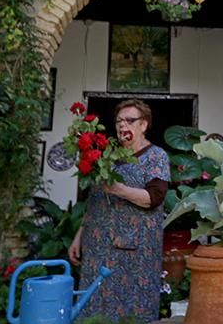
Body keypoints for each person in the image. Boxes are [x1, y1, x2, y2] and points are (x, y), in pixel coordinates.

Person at [69, 99, 170, 323]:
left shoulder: (156, 157)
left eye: (129, 120)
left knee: (131, 311)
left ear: (143, 125)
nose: (122, 125)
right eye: (118, 121)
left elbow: (153, 198)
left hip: (134, 252)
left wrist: (119, 189)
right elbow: (95, 200)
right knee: (93, 307)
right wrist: (79, 237)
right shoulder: (107, 157)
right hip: (97, 248)